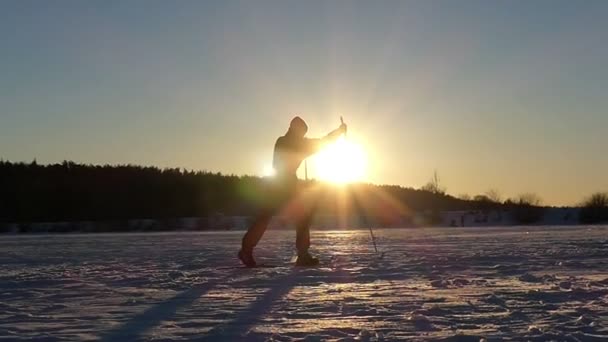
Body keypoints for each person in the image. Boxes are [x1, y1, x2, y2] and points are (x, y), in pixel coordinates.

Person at [238, 116, 347, 267]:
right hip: (282, 184)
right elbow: (322, 142)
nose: (303, 134)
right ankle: (249, 250)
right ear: (296, 130)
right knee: (284, 217)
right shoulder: (291, 142)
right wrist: (339, 132)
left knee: (290, 217)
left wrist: (338, 132)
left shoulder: (286, 141)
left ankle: (299, 254)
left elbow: (321, 142)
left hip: (279, 183)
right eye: (302, 132)